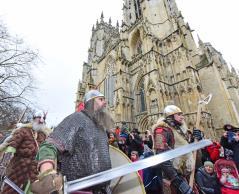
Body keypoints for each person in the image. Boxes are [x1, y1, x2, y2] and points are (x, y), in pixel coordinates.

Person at [31, 90, 115, 194]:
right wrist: (46, 174)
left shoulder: (101, 128)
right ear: (90, 102)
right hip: (78, 190)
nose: (105, 102)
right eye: (101, 99)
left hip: (103, 190)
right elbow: (49, 145)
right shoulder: (77, 119)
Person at [0, 111, 50, 194]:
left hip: (34, 170)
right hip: (18, 166)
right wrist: (4, 165)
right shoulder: (23, 130)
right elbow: (11, 146)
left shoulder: (43, 135)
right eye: (39, 118)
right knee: (10, 190)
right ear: (34, 119)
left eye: (43, 119)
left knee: (31, 190)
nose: (41, 121)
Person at [152, 105, 197, 194]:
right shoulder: (161, 130)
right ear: (171, 116)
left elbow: (188, 148)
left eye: (182, 114)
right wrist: (176, 180)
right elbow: (162, 157)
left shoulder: (180, 130)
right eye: (179, 114)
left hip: (186, 172)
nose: (182, 117)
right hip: (172, 177)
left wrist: (197, 138)